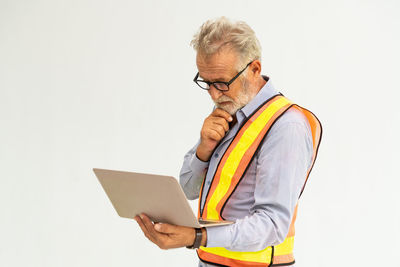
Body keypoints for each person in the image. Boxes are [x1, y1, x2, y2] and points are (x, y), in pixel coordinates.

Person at [134, 17, 322, 267]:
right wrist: (203, 149)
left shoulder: (286, 126)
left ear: (254, 69)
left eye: (222, 83)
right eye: (206, 83)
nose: (214, 94)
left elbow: (273, 224)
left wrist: (197, 236)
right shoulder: (228, 109)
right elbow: (188, 189)